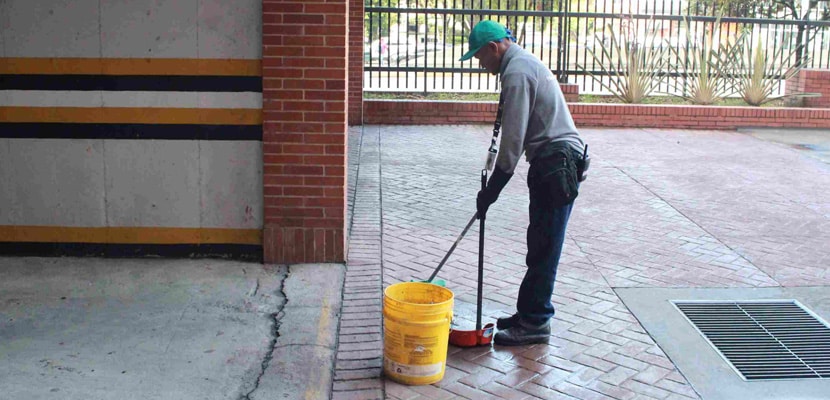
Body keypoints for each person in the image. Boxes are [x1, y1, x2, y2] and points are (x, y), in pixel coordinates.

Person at [459, 20, 587, 346]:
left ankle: (536, 322)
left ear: (494, 48)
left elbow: (512, 142)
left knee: (544, 249)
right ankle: (528, 313)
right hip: (553, 162)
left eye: (479, 56)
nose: (480, 64)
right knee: (539, 244)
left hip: (555, 165)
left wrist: (492, 191)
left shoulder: (516, 73)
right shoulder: (522, 64)